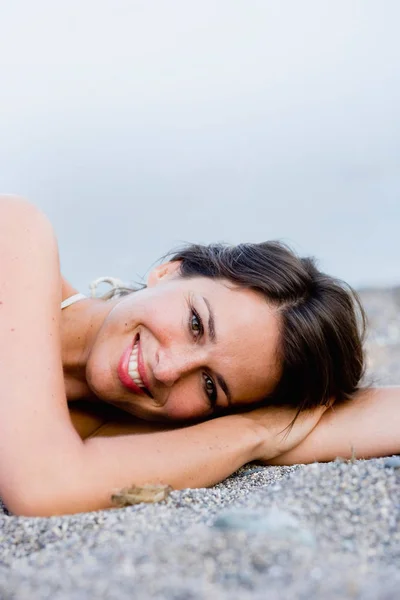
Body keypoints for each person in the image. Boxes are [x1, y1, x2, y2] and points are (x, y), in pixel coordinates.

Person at [0, 195, 399, 517]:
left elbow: (348, 419)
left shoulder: (129, 435)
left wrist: (257, 431)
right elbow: (43, 487)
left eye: (210, 386)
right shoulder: (16, 236)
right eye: (196, 324)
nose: (168, 369)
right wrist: (254, 433)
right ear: (168, 272)